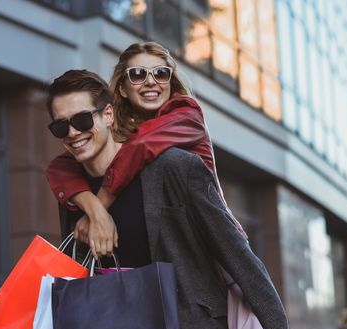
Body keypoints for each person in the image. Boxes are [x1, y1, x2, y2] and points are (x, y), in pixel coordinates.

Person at [45, 68, 292, 329]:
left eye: (81, 119)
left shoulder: (174, 167)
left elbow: (236, 253)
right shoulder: (76, 194)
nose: (73, 132)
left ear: (109, 115)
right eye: (61, 126)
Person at [46, 41, 230, 260]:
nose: (150, 81)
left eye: (161, 73)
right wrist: (93, 209)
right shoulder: (126, 132)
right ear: (123, 88)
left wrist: (97, 211)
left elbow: (141, 147)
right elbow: (60, 166)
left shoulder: (186, 114)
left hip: (212, 248)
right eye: (138, 74)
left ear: (171, 82)